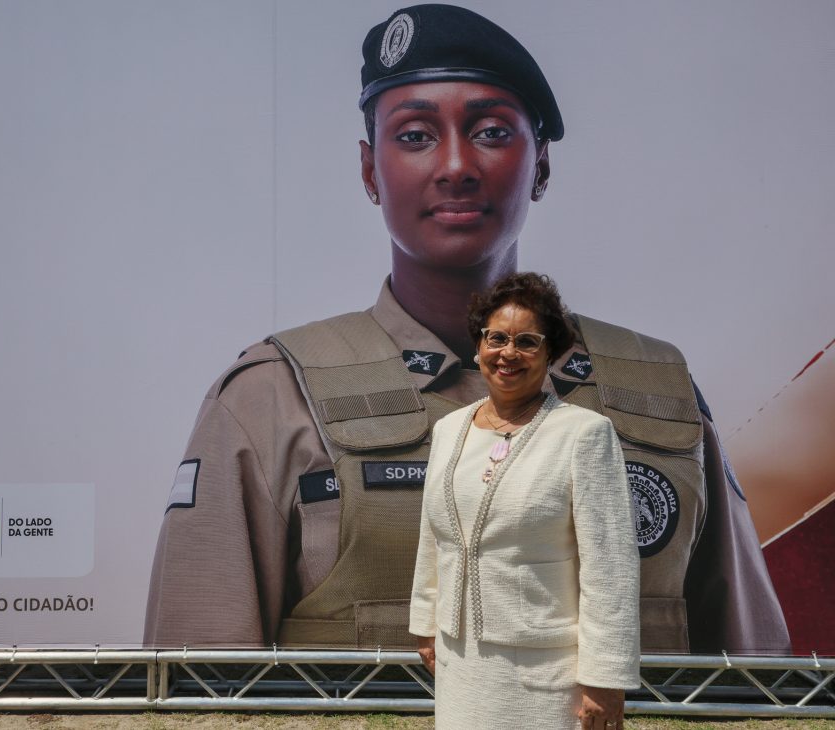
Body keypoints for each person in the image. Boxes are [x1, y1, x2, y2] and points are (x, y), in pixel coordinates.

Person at [145, 3, 789, 656]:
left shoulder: (657, 393)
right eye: (416, 135)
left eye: (490, 132)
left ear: (540, 165)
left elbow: (762, 689)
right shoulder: (272, 400)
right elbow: (192, 696)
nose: (454, 164)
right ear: (371, 170)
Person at [410, 272, 638, 729]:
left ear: (550, 353)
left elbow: (610, 566)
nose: (508, 353)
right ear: (478, 346)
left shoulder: (583, 434)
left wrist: (604, 677)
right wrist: (426, 622)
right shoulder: (448, 429)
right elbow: (434, 537)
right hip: (459, 657)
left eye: (527, 342)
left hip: (546, 670)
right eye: (496, 338)